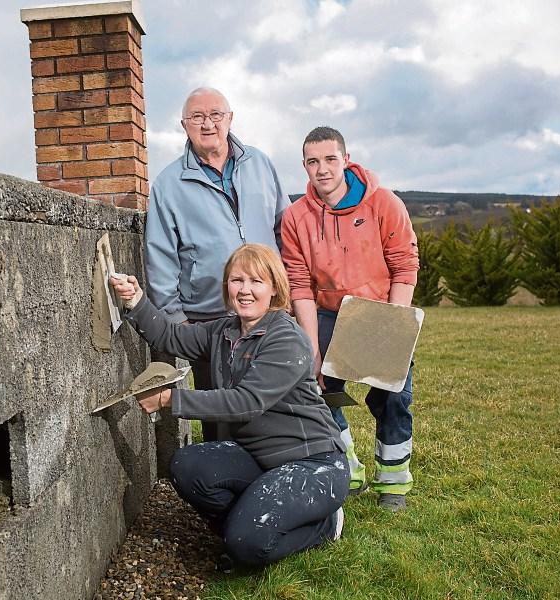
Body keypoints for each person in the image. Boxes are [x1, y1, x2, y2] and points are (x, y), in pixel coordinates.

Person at [110, 244, 349, 568]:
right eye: (237, 280)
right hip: (257, 457)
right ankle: (248, 524)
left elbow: (246, 402)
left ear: (275, 288)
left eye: (256, 281)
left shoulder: (286, 338)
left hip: (311, 462)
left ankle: (325, 524)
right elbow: (169, 338)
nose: (245, 290)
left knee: (246, 544)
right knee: (188, 466)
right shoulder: (224, 330)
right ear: (227, 287)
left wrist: (169, 399)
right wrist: (135, 300)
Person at [280, 126, 419, 512]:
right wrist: (311, 348)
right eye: (312, 161)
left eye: (329, 159)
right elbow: (299, 285)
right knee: (319, 390)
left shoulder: (384, 203)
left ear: (346, 159)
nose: (322, 169)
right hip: (326, 312)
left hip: (379, 309)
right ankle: (347, 468)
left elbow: (405, 266)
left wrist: (392, 325)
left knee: (393, 396)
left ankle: (393, 481)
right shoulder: (295, 216)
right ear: (304, 166)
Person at [145, 87, 291, 442]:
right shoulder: (167, 184)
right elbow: (160, 256)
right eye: (197, 117)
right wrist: (178, 322)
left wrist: (290, 293)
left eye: (215, 115)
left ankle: (273, 472)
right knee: (217, 410)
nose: (207, 123)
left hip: (269, 309)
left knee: (274, 404)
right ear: (184, 125)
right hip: (209, 318)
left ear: (230, 119)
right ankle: (220, 484)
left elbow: (284, 227)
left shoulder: (260, 163)